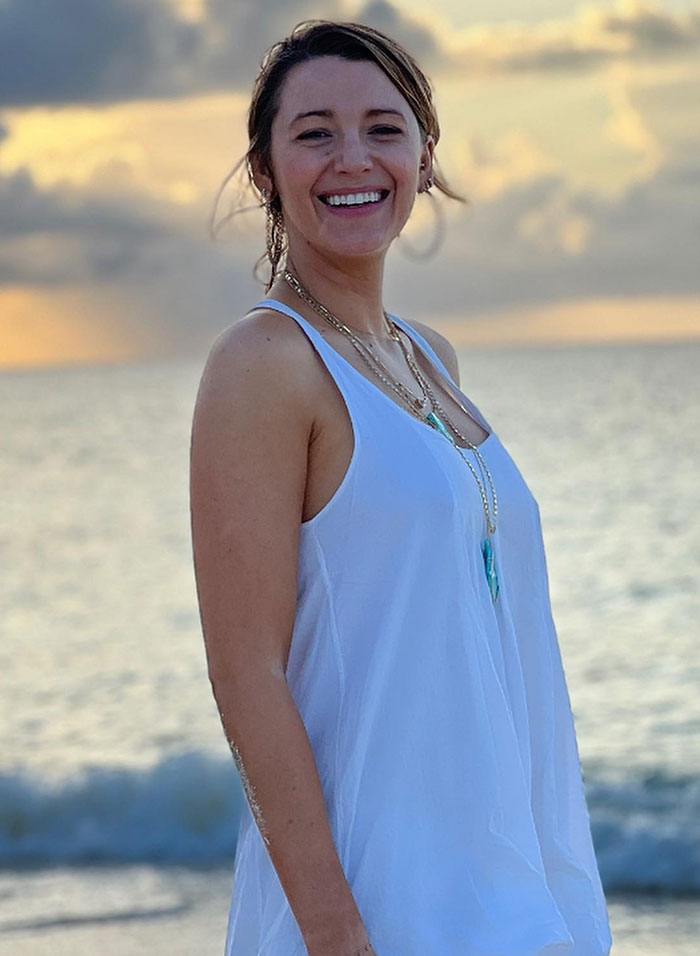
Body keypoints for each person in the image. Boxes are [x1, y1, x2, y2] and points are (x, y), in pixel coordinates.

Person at [189, 18, 613, 956]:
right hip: (381, 910)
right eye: (314, 133)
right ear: (264, 169)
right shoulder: (263, 364)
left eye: (385, 128)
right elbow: (246, 671)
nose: (354, 158)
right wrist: (339, 937)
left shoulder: (430, 358)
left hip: (514, 895)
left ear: (425, 157)